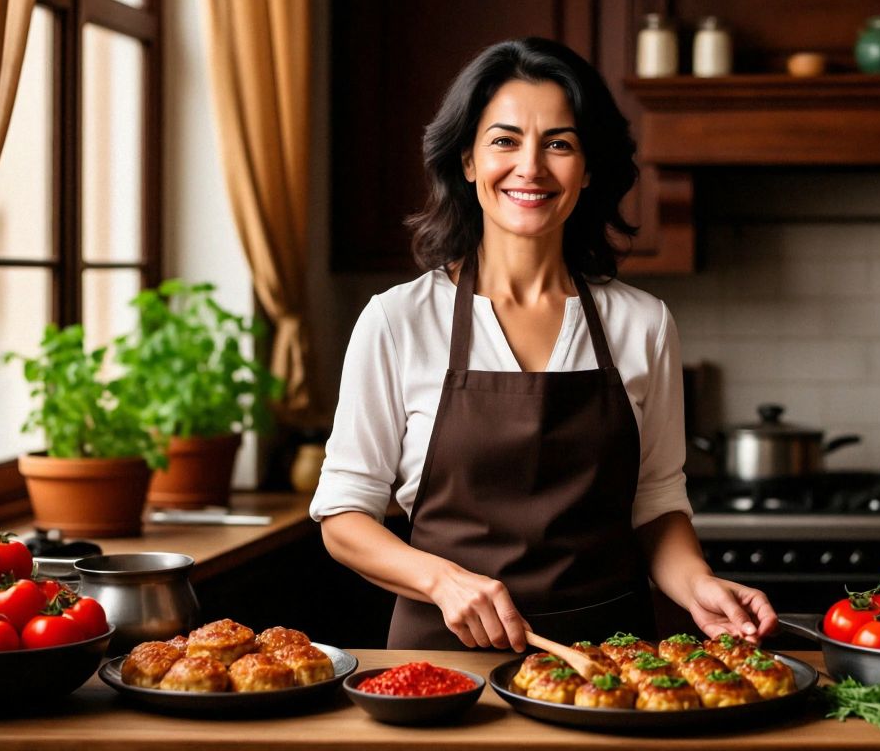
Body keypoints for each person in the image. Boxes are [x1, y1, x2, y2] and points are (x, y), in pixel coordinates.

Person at [311, 37, 777, 652]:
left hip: (612, 662)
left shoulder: (643, 324)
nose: (530, 166)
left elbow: (657, 503)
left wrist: (697, 584)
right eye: (504, 140)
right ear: (469, 161)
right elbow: (344, 518)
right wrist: (444, 581)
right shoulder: (399, 321)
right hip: (447, 663)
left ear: (586, 170)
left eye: (559, 143)